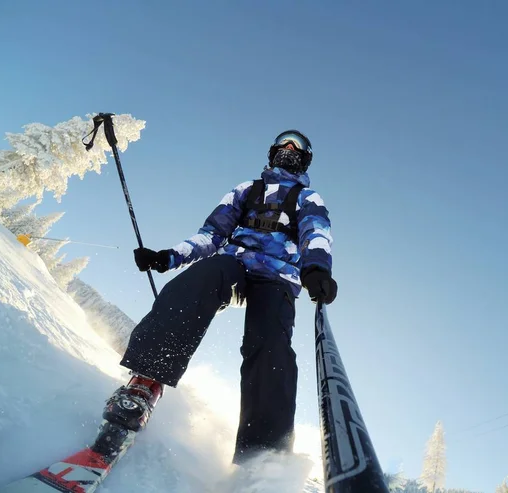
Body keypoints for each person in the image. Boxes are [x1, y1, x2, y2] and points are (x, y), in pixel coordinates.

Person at [103, 130, 337, 464]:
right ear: (272, 153)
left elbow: (316, 233)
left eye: (295, 147)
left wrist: (316, 269)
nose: (288, 149)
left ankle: (261, 457)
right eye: (282, 144)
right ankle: (145, 383)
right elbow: (211, 235)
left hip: (278, 278)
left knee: (270, 341)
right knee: (202, 277)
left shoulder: (308, 198)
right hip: (235, 266)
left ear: (305, 159)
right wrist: (168, 257)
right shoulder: (246, 190)